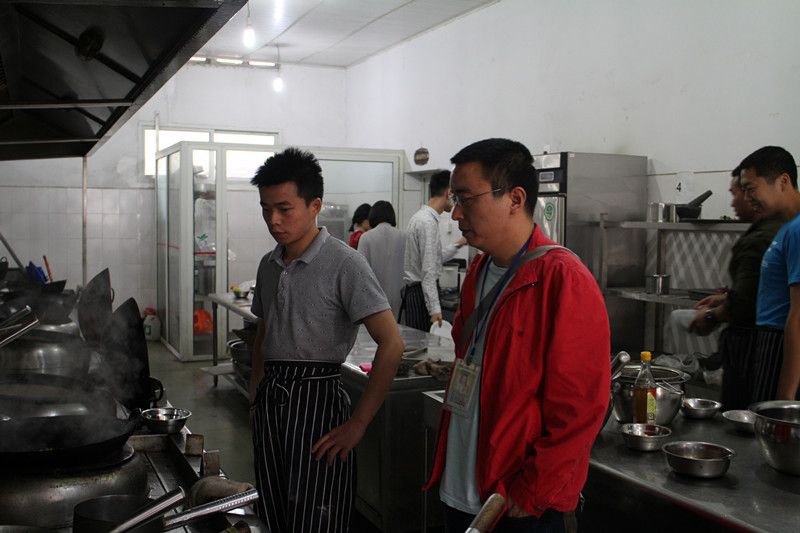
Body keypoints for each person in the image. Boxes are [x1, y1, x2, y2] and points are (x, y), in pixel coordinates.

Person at [424, 138, 610, 533]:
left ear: (515, 198)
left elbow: (579, 409)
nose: (456, 213)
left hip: (516, 504)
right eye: (454, 200)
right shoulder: (479, 272)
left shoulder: (563, 279)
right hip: (461, 486)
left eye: (466, 199)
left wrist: (532, 492)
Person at [248, 148, 403, 533]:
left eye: (284, 209)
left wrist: (358, 424)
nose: (273, 220)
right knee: (272, 510)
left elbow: (392, 343)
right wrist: (255, 394)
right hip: (271, 403)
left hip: (318, 408)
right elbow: (265, 331)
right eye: (266, 209)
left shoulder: (345, 263)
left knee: (317, 516)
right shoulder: (268, 265)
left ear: (315, 205)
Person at [688, 167, 782, 409]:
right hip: (762, 346)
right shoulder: (776, 229)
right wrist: (726, 298)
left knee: (745, 413)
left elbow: (745, 302)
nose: (734, 202)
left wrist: (711, 316)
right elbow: (765, 287)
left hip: (754, 347)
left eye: (739, 192)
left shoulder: (763, 237)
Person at [739, 146, 800, 402]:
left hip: (781, 347)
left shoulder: (797, 230)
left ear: (783, 181)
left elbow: (798, 315)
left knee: (771, 423)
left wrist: (785, 396)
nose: (747, 198)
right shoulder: (787, 227)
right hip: (770, 341)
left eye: (751, 188)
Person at [402, 170, 466, 331]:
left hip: (417, 292)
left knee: (418, 342)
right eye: (456, 196)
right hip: (420, 294)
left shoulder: (422, 217)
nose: (455, 203)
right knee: (422, 343)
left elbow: (434, 258)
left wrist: (459, 244)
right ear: (449, 193)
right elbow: (428, 271)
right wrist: (435, 310)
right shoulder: (427, 222)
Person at [357, 201, 406, 319]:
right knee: (399, 328)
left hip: (374, 303)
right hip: (401, 299)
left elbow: (360, 273)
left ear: (372, 216)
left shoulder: (366, 238)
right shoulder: (404, 236)